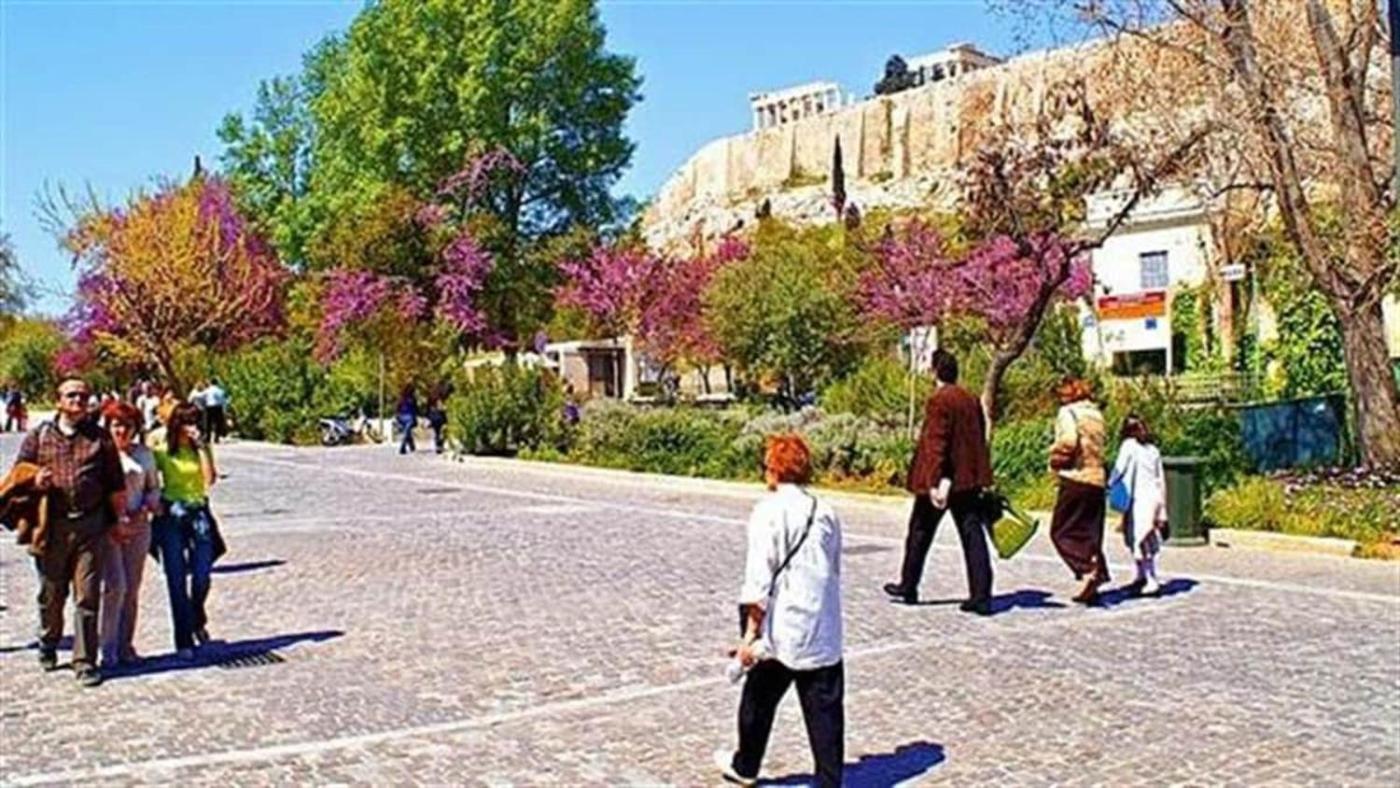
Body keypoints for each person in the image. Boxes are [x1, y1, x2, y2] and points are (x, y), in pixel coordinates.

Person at [715, 434, 844, 788]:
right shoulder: (826, 511)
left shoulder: (768, 511)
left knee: (758, 697)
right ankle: (830, 782)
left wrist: (748, 637)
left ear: (773, 470)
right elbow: (833, 569)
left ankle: (746, 765)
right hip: (821, 625)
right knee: (825, 711)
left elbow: (758, 582)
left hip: (781, 626)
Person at [11, 378, 125, 687]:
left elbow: (115, 482)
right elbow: (19, 471)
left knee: (87, 595)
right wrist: (36, 479)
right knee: (52, 594)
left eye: (83, 395)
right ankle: (49, 640)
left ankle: (85, 661)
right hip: (52, 527)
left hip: (91, 526)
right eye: (72, 395)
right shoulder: (40, 436)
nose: (78, 400)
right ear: (58, 400)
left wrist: (119, 520)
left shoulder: (99, 438)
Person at [883, 349, 996, 615]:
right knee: (972, 534)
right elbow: (978, 438)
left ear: (935, 371)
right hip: (967, 479)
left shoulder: (939, 400)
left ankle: (909, 584)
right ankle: (981, 594)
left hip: (943, 480)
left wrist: (935, 480)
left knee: (920, 531)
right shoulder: (970, 398)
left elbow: (937, 443)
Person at [151, 403, 225, 659]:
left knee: (202, 573)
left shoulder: (200, 448)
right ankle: (183, 638)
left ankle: (196, 616)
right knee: (176, 578)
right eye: (186, 422)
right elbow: (150, 478)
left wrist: (202, 447)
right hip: (172, 514)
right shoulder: (162, 449)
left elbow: (209, 479)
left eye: (195, 421)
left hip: (198, 511)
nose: (191, 427)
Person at [98, 400, 160, 668]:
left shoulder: (144, 454)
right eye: (116, 425)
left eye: (127, 425)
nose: (121, 430)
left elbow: (153, 487)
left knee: (132, 588)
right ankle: (107, 648)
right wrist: (114, 519)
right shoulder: (100, 454)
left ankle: (126, 645)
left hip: (138, 526)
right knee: (114, 587)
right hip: (109, 528)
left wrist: (146, 507)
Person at [1047, 377, 1110, 604]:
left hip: (1076, 476)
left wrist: (1053, 455)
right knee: (1091, 532)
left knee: (1061, 531)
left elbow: (1068, 441)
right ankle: (1093, 578)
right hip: (1098, 478)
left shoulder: (1068, 413)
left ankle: (1088, 567)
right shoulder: (1096, 414)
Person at [1112, 414, 1168, 596]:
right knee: (1144, 537)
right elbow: (1160, 479)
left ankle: (1151, 579)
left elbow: (1119, 469)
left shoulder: (1128, 446)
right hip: (1153, 497)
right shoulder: (1153, 450)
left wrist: (1109, 484)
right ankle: (1140, 574)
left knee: (1140, 539)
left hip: (1139, 498)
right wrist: (1162, 509)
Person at [203, 377, 229, 443]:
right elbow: (223, 400)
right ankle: (216, 438)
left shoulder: (207, 390)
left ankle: (208, 438)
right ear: (217, 383)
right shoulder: (220, 391)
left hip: (209, 407)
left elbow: (202, 397)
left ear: (211, 383)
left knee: (208, 423)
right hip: (217, 407)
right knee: (218, 423)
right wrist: (224, 408)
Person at [396, 385, 419, 455]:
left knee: (407, 431)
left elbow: (397, 408)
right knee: (406, 432)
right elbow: (416, 410)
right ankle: (402, 447)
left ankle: (411, 446)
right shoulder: (412, 399)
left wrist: (397, 417)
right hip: (409, 417)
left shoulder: (401, 398)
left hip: (402, 417)